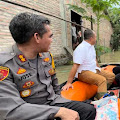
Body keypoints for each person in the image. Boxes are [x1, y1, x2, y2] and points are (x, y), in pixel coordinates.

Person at [0, 12, 96, 120]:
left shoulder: (46, 55)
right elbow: (11, 110)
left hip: (53, 102)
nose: (52, 40)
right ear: (37, 37)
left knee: (89, 110)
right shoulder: (5, 64)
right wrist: (57, 112)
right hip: (30, 112)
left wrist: (63, 104)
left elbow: (54, 83)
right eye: (50, 36)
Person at [62, 29, 115, 99]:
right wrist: (69, 83)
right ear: (91, 38)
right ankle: (100, 99)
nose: (96, 39)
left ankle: (100, 93)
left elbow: (94, 59)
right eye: (95, 37)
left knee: (111, 76)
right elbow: (75, 66)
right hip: (83, 72)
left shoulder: (91, 46)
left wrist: (99, 68)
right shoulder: (81, 49)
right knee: (102, 80)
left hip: (93, 69)